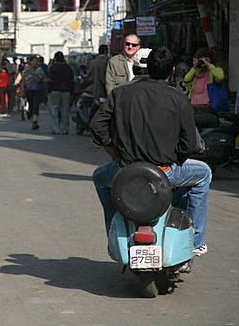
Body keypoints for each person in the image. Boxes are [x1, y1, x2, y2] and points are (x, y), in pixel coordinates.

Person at [90, 46, 211, 257]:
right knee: (203, 174)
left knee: (99, 178)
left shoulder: (120, 93)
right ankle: (197, 240)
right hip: (165, 171)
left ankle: (112, 231)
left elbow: (97, 126)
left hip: (126, 170)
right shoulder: (178, 98)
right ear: (171, 70)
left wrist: (114, 153)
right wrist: (177, 159)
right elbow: (190, 143)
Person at [183, 47, 225, 112]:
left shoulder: (214, 71)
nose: (203, 62)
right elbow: (186, 80)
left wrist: (209, 65)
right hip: (193, 106)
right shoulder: (196, 72)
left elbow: (220, 77)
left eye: (206, 59)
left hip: (208, 107)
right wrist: (194, 68)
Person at [47, 51, 74, 135]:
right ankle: (65, 129)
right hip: (66, 91)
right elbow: (72, 81)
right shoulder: (68, 67)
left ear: (55, 58)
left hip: (54, 91)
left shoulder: (53, 68)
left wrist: (49, 91)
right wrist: (72, 91)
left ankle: (56, 129)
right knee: (65, 111)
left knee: (54, 110)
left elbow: (50, 81)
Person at [21, 56, 46, 130]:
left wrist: (34, 75)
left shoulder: (39, 70)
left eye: (36, 61)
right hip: (29, 90)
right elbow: (23, 81)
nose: (35, 63)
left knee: (36, 105)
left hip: (38, 90)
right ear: (30, 62)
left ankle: (35, 121)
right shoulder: (26, 71)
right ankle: (32, 116)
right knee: (31, 105)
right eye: (34, 61)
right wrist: (22, 90)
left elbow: (42, 78)